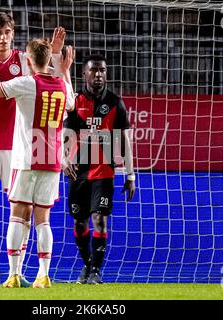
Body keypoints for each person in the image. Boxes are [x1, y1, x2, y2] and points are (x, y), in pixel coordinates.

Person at [0, 12, 66, 288]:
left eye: (8, 32)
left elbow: (45, 77)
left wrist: (54, 56)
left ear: (12, 34)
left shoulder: (22, 60)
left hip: (17, 148)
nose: (4, 37)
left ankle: (18, 272)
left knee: (23, 210)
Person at [62, 53, 136, 284]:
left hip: (104, 171)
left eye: (102, 70)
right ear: (84, 74)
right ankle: (87, 265)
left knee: (99, 219)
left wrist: (130, 174)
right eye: (93, 70)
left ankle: (95, 270)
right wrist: (64, 158)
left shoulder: (115, 103)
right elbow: (65, 134)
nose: (98, 74)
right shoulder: (74, 102)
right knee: (79, 222)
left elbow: (125, 141)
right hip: (78, 171)